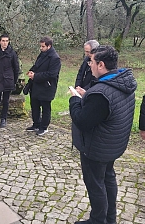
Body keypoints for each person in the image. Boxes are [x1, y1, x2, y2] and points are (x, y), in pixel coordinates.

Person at [69, 46, 137, 224]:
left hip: (96, 148)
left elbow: (82, 121)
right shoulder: (122, 81)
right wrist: (87, 96)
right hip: (113, 145)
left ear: (101, 64)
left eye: (91, 61)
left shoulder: (102, 93)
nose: (89, 65)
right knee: (108, 179)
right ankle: (110, 218)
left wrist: (75, 99)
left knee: (96, 185)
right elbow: (106, 110)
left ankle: (98, 220)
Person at [25, 36, 61, 135]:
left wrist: (35, 76)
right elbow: (37, 65)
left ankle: (44, 127)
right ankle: (36, 124)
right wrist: (31, 71)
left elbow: (52, 74)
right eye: (40, 46)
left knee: (45, 108)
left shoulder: (55, 58)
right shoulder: (42, 54)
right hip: (36, 85)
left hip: (46, 87)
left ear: (49, 46)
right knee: (35, 105)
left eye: (43, 46)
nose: (41, 48)